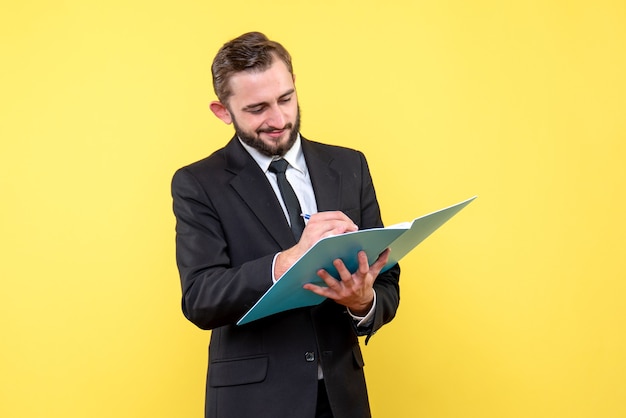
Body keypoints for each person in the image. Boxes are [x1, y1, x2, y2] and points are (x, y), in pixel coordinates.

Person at [171, 31, 401, 418]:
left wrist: (362, 302)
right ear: (222, 111)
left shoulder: (349, 166)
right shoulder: (198, 183)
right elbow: (200, 298)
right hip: (254, 403)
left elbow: (386, 279)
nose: (278, 119)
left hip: (343, 399)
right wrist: (288, 261)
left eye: (286, 99)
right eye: (257, 108)